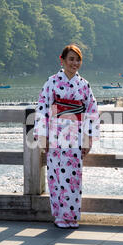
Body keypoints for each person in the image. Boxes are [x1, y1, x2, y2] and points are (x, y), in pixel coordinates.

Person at [34, 44, 100, 229]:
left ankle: (72, 216)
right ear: (61, 60)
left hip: (76, 137)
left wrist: (88, 138)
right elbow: (42, 109)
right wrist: (43, 137)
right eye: (71, 59)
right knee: (56, 176)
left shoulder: (84, 84)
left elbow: (92, 112)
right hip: (55, 136)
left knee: (74, 177)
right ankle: (60, 217)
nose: (75, 63)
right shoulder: (52, 82)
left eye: (78, 59)